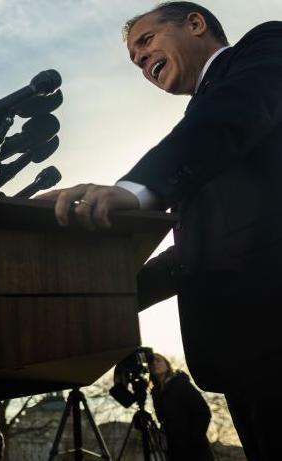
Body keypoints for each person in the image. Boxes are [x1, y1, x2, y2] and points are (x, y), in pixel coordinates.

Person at [39, 2, 282, 458]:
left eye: (146, 42)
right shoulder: (198, 131)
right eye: (134, 59)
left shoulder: (266, 50)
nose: (141, 62)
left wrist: (136, 190)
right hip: (243, 360)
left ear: (194, 23)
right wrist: (106, 293)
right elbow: (198, 249)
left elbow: (233, 114)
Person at [148, 353, 213, 460]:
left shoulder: (181, 384)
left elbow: (203, 412)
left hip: (195, 452)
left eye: (158, 360)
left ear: (167, 365)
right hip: (174, 451)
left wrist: (194, 440)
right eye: (151, 362)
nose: (155, 363)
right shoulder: (156, 393)